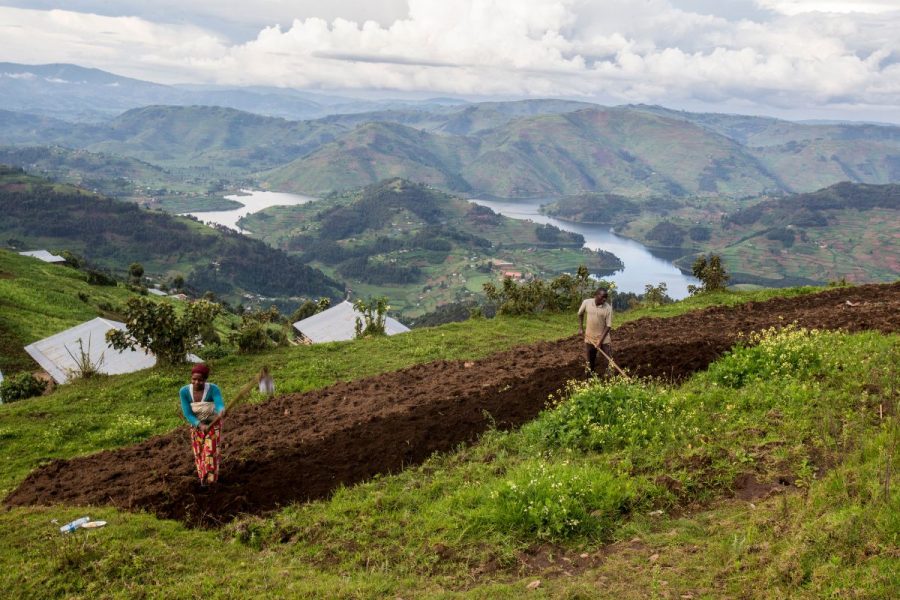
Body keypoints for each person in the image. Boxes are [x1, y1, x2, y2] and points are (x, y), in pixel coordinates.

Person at [179, 363, 225, 486]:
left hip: (212, 424)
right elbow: (188, 413)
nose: (197, 382)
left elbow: (219, 403)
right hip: (196, 426)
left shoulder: (213, 389)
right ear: (191, 378)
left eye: (200, 380)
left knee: (210, 452)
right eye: (194, 379)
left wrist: (221, 410)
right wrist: (199, 425)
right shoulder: (184, 392)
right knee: (199, 454)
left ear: (205, 380)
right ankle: (203, 481)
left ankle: (211, 482)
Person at [578, 288, 613, 376]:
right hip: (590, 336)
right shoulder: (587, 302)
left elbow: (608, 326)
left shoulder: (608, 308)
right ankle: (589, 376)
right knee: (590, 359)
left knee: (608, 359)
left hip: (604, 337)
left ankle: (610, 377)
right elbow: (580, 314)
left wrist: (600, 341)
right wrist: (581, 328)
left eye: (605, 298)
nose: (604, 299)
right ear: (596, 296)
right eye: (602, 297)